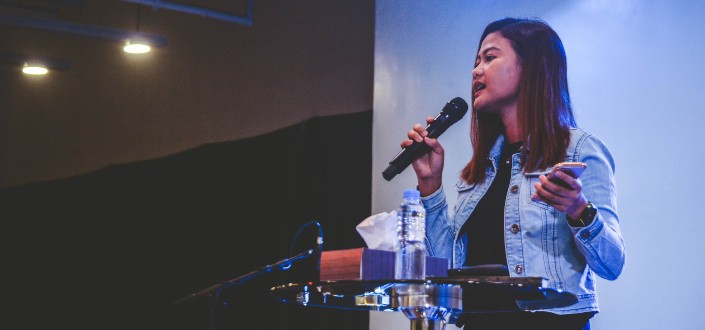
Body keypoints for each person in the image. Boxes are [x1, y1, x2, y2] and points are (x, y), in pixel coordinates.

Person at [401, 17, 625, 329]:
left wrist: (578, 210)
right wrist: (430, 186)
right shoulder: (479, 171)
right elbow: (445, 272)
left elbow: (612, 264)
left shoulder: (578, 150)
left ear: (531, 68)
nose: (476, 70)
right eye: (477, 60)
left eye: (490, 58)